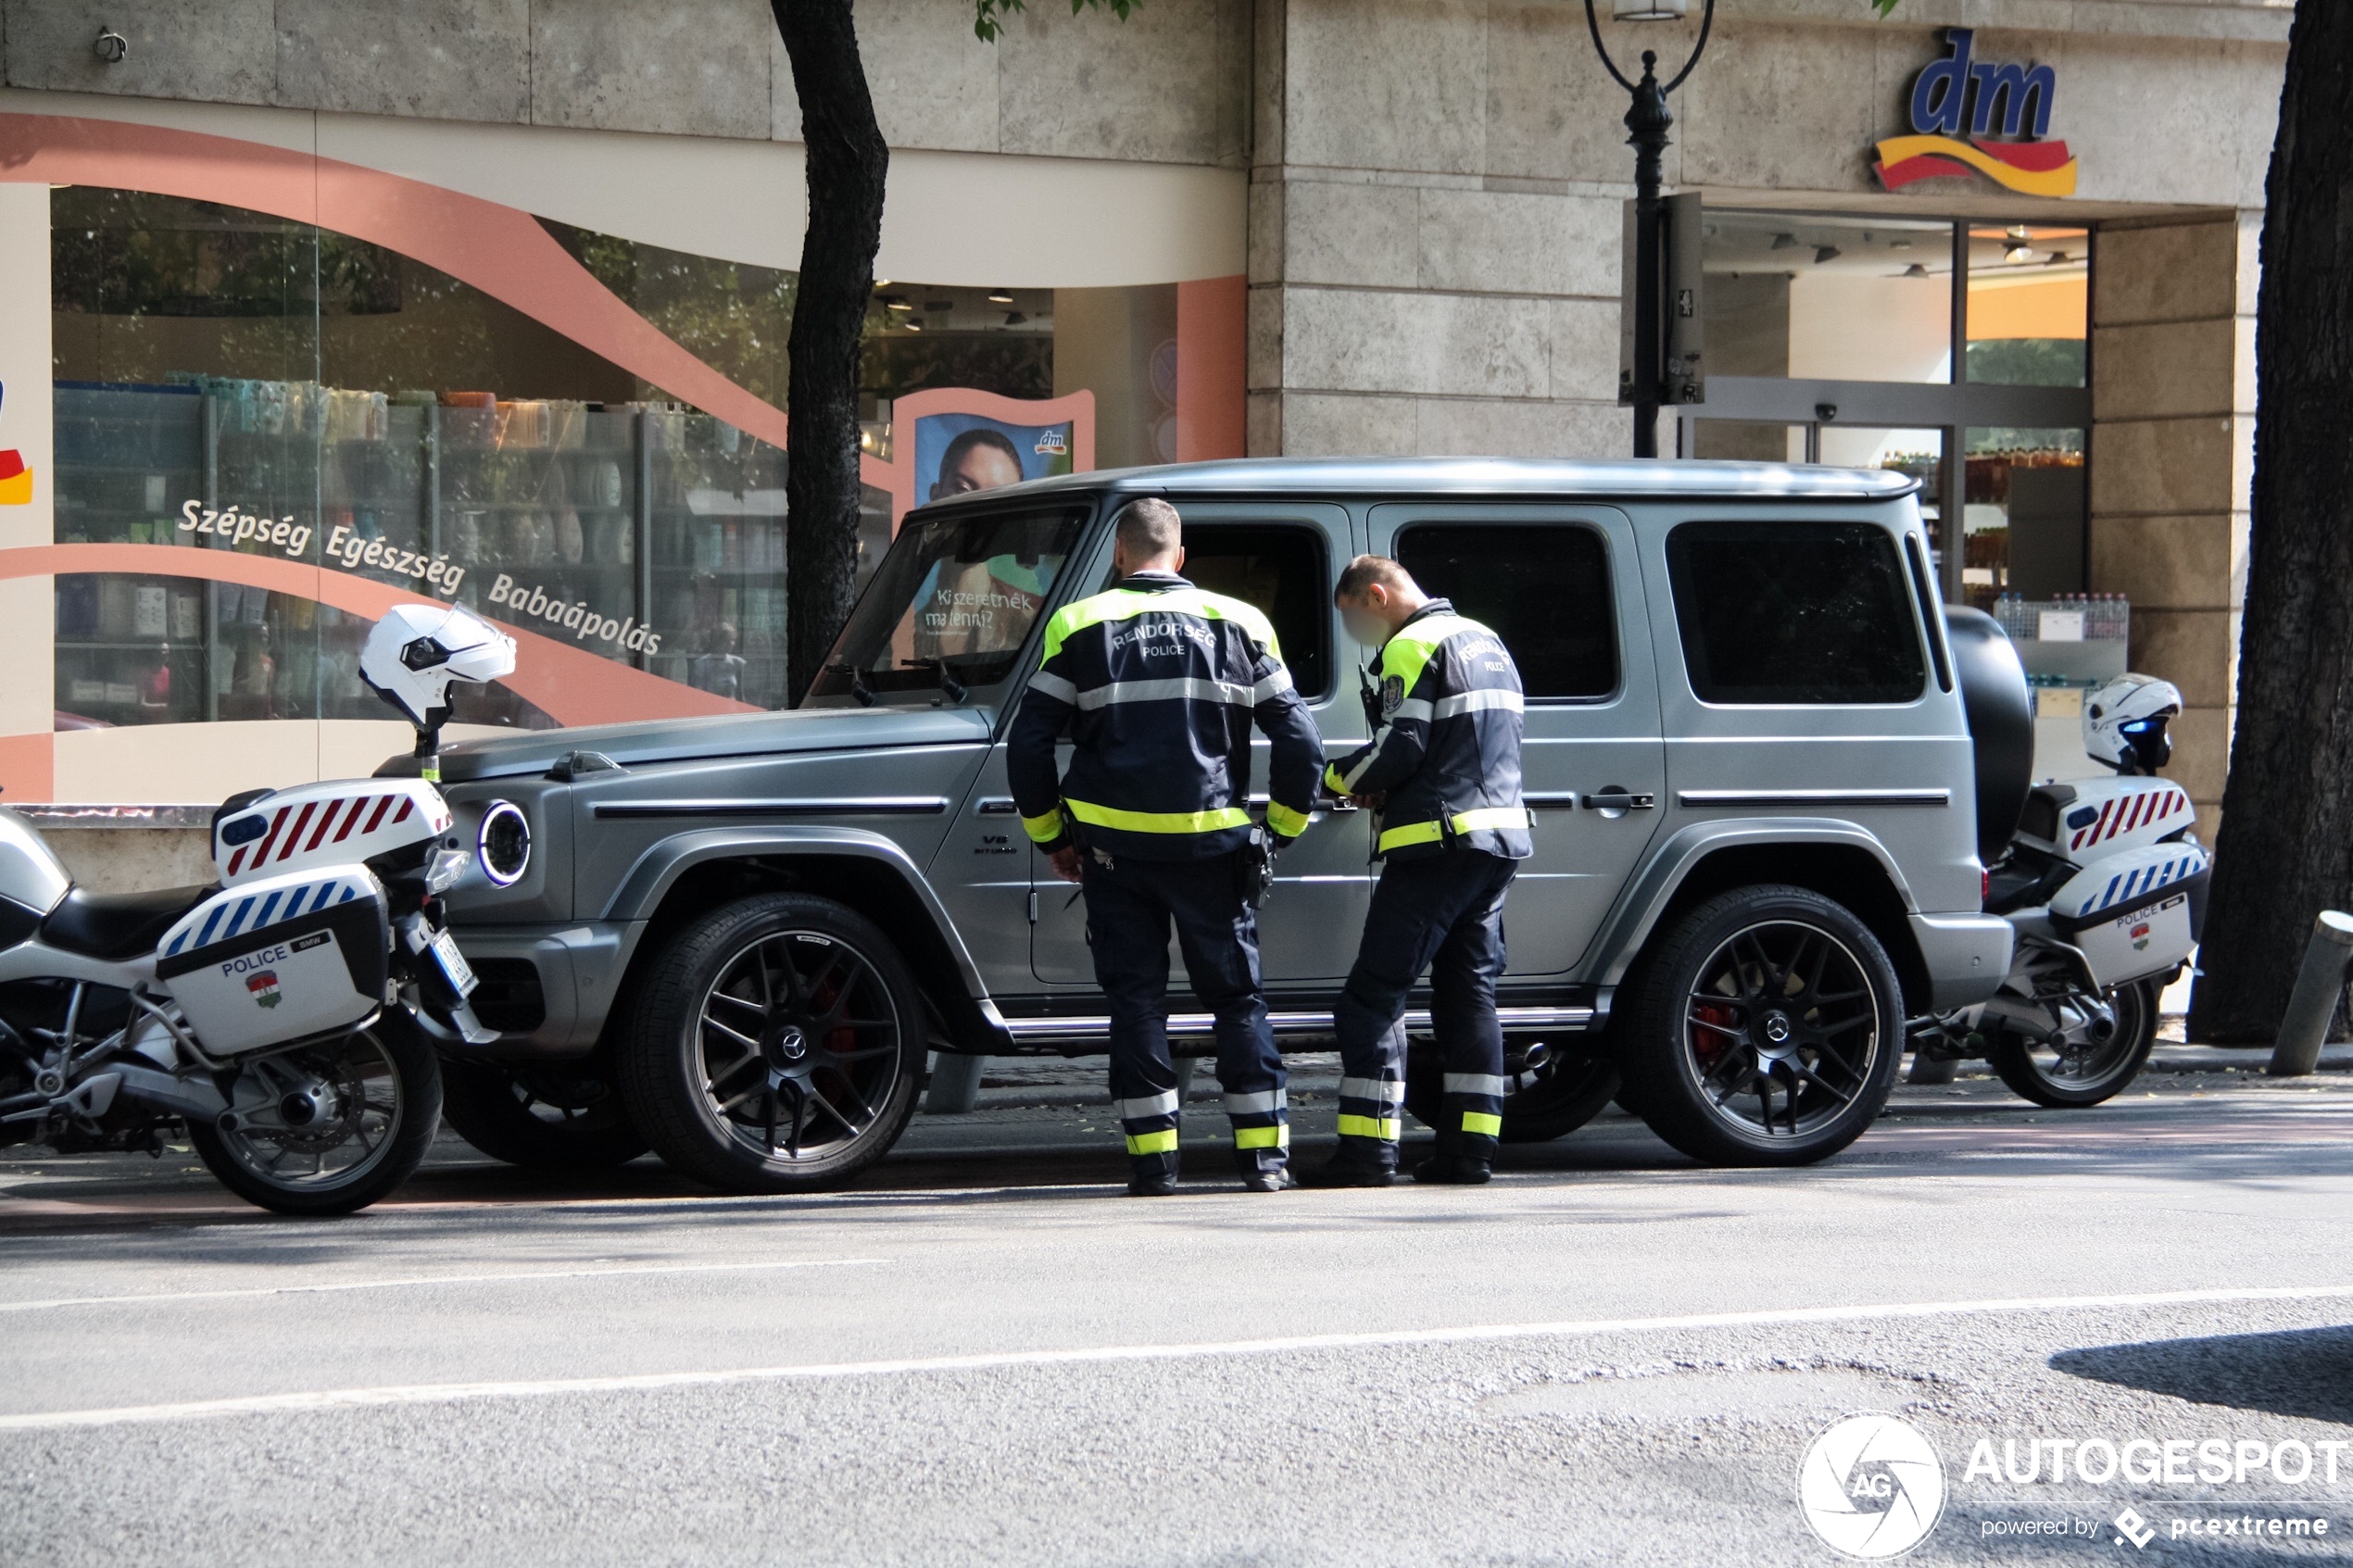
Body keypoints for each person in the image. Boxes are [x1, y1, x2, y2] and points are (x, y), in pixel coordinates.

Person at [1007, 498, 1324, 1196]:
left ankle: (1154, 1165)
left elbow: (1027, 743)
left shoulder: (1080, 622)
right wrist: (1282, 830)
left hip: (1116, 855)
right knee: (1238, 1001)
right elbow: (1301, 740)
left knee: (1137, 1004)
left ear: (1119, 555)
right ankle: (1264, 1163)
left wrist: (1051, 835)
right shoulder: (1241, 622)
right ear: (1180, 558)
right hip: (1214, 850)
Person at [1300, 556, 1530, 1188]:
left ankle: (1367, 1154)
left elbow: (1399, 748)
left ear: (1376, 595)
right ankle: (1470, 1152)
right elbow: (1464, 745)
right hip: (1497, 843)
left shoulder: (1412, 644)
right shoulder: (1488, 641)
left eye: (1355, 623)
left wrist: (1335, 778)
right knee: (1468, 998)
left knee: (1371, 998)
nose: (1360, 640)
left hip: (1437, 843)